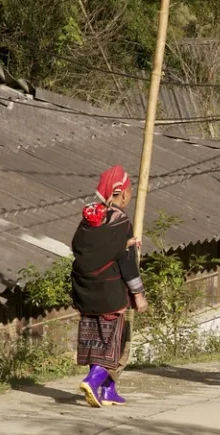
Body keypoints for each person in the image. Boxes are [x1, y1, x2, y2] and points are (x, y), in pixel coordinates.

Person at [71, 165, 148, 408]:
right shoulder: (120, 221)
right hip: (111, 292)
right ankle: (93, 380)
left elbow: (88, 250)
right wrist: (138, 292)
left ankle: (108, 390)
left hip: (86, 291)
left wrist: (124, 244)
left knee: (98, 339)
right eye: (129, 191)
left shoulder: (88, 221)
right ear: (121, 193)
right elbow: (126, 261)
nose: (131, 196)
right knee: (113, 340)